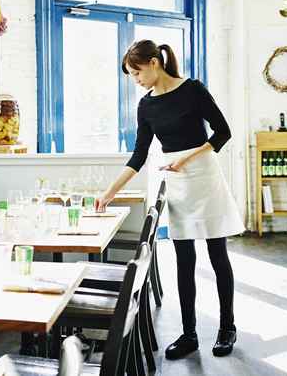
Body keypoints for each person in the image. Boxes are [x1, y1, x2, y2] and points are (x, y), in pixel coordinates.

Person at [95, 39, 244, 359]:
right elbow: (138, 156)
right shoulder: (146, 106)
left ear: (153, 63)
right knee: (184, 260)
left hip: (204, 174)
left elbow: (222, 132)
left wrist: (187, 159)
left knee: (218, 256)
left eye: (136, 73)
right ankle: (189, 334)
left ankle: (226, 328)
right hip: (176, 182)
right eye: (131, 76)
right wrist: (109, 192)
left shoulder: (193, 89)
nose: (136, 80)